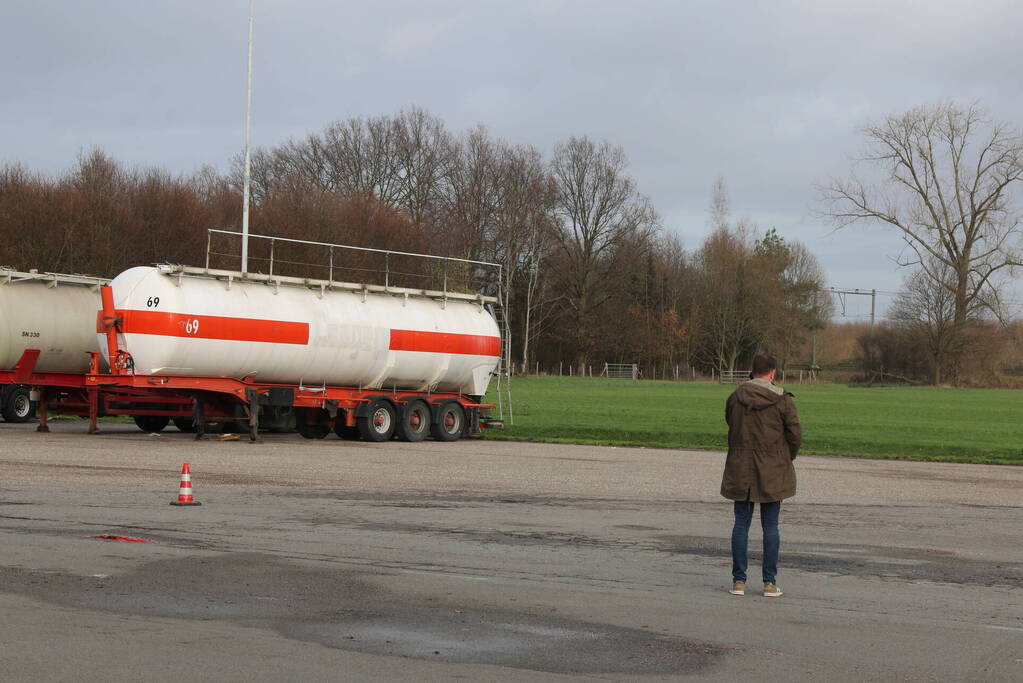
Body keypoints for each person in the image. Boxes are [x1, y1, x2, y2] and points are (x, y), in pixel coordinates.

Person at [720, 354, 801, 598]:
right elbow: (795, 435)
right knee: (771, 525)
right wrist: (787, 457)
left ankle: (739, 581)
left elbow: (730, 425)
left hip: (741, 465)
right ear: (772, 373)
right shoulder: (783, 400)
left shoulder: (736, 397)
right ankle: (769, 582)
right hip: (772, 467)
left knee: (741, 524)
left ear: (752, 371)